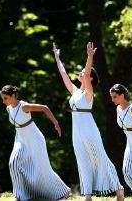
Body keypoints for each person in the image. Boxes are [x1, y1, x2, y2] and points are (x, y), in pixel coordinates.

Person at [53, 42, 124, 201]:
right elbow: (63, 73)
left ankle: (118, 188)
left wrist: (90, 56)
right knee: (82, 159)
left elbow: (86, 74)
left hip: (89, 129)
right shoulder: (75, 91)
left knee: (100, 157)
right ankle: (87, 195)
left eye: (84, 72)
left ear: (90, 78)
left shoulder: (88, 93)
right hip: (76, 131)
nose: (81, 73)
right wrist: (57, 57)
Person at [0, 85, 71, 200]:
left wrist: (56, 123)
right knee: (13, 163)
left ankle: (63, 192)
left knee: (43, 169)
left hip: (35, 139)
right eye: (2, 98)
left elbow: (44, 108)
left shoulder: (24, 106)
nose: (3, 101)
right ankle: (18, 195)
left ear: (13, 96)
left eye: (5, 98)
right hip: (20, 140)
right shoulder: (9, 108)